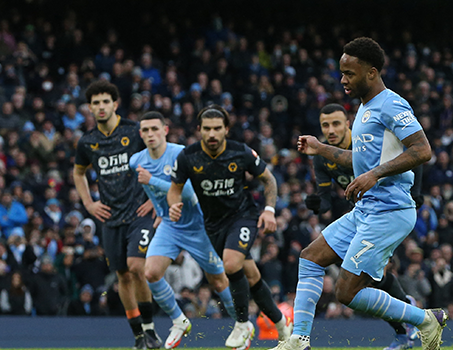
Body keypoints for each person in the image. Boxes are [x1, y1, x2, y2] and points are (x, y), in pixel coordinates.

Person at [274, 37, 446, 350]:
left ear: (371, 72)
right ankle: (298, 339)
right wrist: (320, 148)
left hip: (390, 212)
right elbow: (356, 160)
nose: (342, 80)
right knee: (311, 259)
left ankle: (424, 319)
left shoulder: (391, 104)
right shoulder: (366, 109)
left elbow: (423, 150)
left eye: (349, 73)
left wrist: (374, 174)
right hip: (367, 210)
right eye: (341, 73)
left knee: (346, 293)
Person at [168, 105, 292, 349]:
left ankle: (243, 324)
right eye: (207, 129)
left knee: (231, 264)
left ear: (226, 129)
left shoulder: (241, 152)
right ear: (199, 130)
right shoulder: (188, 157)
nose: (212, 134)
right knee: (252, 277)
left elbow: (268, 179)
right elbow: (174, 189)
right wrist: (173, 205)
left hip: (242, 216)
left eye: (217, 129)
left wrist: (269, 210)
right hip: (213, 225)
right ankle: (282, 327)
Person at [305, 103, 421, 350]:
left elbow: (410, 156)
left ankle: (409, 325)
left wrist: (417, 192)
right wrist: (318, 203)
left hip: (387, 212)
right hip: (359, 215)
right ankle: (406, 316)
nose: (331, 129)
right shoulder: (324, 157)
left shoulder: (365, 141)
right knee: (367, 281)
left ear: (348, 123)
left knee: (361, 282)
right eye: (325, 125)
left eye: (336, 123)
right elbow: (325, 196)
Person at [130, 111, 239, 349]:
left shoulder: (181, 154)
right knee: (150, 273)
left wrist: (152, 181)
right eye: (145, 130)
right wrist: (160, 210)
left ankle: (241, 324)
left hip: (199, 225)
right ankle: (179, 320)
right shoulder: (136, 161)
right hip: (171, 225)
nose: (150, 134)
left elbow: (189, 192)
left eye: (155, 129)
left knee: (219, 282)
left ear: (165, 130)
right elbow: (151, 192)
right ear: (140, 134)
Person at [73, 80, 160, 349]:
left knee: (137, 267)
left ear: (115, 104)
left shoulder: (134, 131)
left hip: (139, 212)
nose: (100, 107)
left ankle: (150, 329)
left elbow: (158, 157)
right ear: (89, 107)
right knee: (122, 275)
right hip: (109, 217)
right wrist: (88, 204)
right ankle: (138, 335)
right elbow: (78, 172)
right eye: (95, 103)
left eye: (105, 101)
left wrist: (155, 201)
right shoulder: (88, 141)